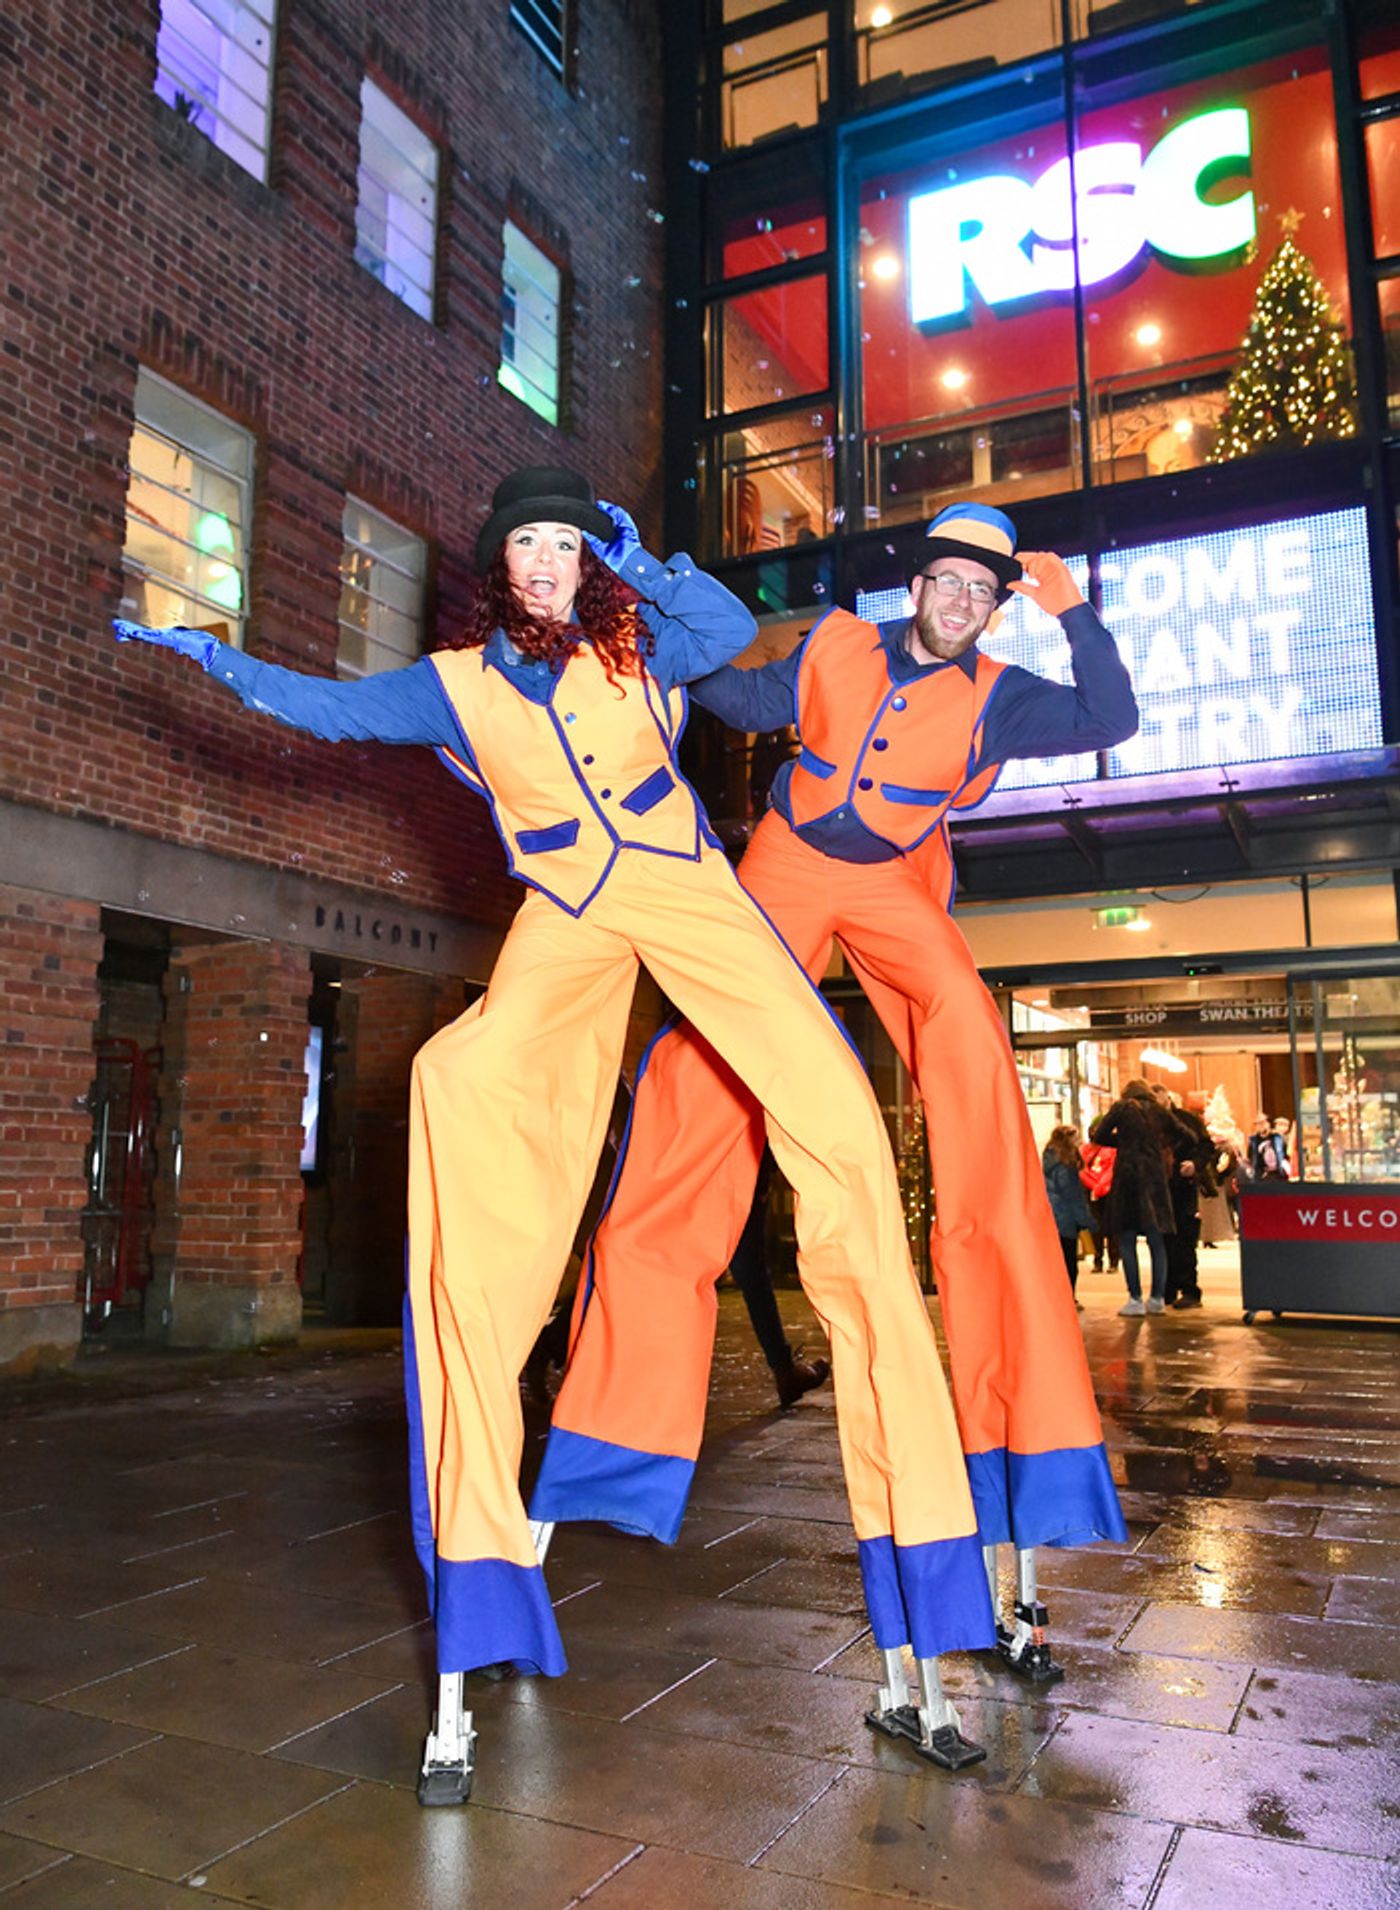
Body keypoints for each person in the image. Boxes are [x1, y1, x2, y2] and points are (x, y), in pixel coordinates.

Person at [112, 465, 994, 1684]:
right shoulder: (455, 685)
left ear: (583, 564)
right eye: (523, 541)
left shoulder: (634, 652)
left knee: (837, 1113)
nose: (542, 559)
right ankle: (481, 1524)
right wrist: (218, 662)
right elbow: (330, 708)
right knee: (458, 1079)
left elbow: (726, 635)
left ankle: (922, 1541)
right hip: (567, 915)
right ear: (499, 565)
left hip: (686, 890)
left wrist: (639, 563)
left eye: (560, 544)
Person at [531, 501, 1136, 1569]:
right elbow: (731, 688)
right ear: (915, 588)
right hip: (784, 866)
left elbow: (1110, 716)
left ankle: (1021, 1441)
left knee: (973, 1049)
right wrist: (640, 610)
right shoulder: (837, 644)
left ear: (995, 609)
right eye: (947, 581)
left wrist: (1072, 607)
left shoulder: (1000, 697)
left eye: (981, 592)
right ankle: (610, 1440)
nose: (959, 602)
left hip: (888, 890)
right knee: (700, 1077)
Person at [726, 1150, 831, 1408]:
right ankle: (784, 1371)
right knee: (749, 1266)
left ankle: (784, 1369)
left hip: (697, 1158)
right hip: (737, 1162)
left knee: (743, 1266)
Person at [1091, 1079, 1180, 1315]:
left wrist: (1124, 1141)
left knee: (1127, 1241)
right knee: (1156, 1242)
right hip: (1155, 1181)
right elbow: (1185, 1135)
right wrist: (1157, 1143)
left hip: (1128, 1181)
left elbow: (1098, 1135)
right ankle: (1157, 1299)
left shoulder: (1122, 1108)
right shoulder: (1159, 1111)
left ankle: (1135, 1299)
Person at [1155, 1086, 1215, 1310]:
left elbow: (1206, 1146)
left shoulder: (1187, 1121)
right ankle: (1167, 1288)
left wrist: (1195, 1165)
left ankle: (1189, 1289)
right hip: (1161, 1187)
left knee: (1185, 1238)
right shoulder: (1151, 1121)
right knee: (1164, 1239)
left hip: (1182, 1184)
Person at [1041, 1125, 1094, 1307]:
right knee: (1069, 1260)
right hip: (1065, 1218)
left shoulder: (1048, 1159)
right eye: (1077, 1138)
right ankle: (1067, 1298)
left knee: (1054, 1261)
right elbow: (1072, 1195)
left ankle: (1054, 1297)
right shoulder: (1066, 1164)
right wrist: (1086, 1221)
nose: (1080, 1142)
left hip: (1049, 1216)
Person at [1079, 1135, 1119, 1272]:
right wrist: (1094, 1185)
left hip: (1108, 1192)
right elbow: (1081, 1169)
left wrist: (1101, 1186)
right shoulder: (1084, 1150)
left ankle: (1113, 1260)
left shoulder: (1112, 1150)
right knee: (1095, 1228)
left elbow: (1112, 1169)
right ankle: (1098, 1259)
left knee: (1112, 1227)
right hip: (1091, 1190)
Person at [1247, 1115, 1290, 1180]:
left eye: (1263, 1123)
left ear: (1268, 1124)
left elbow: (1286, 1155)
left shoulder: (1277, 1138)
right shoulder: (1254, 1141)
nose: (1261, 1126)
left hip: (1278, 1174)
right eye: (1258, 1124)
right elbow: (1251, 1157)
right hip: (1262, 1176)